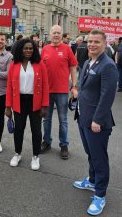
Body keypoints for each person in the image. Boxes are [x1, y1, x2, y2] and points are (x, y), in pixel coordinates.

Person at [73, 29, 118, 216]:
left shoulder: (108, 66)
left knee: (99, 157)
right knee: (90, 152)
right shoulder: (87, 61)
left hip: (96, 121)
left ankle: (100, 194)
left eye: (96, 42)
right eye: (90, 41)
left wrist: (97, 120)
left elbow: (107, 96)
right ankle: (92, 181)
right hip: (83, 116)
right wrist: (76, 93)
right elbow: (85, 87)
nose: (92, 44)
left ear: (104, 43)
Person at [5, 39, 49, 170]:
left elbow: (46, 86)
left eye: (30, 48)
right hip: (19, 101)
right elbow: (9, 86)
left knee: (36, 130)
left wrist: (45, 105)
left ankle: (35, 156)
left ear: (34, 49)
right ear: (20, 49)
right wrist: (8, 106)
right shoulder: (14, 64)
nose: (28, 50)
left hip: (35, 101)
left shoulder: (39, 64)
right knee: (19, 129)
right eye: (25, 48)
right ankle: (17, 153)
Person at [40, 25, 78, 159]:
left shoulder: (67, 49)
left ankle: (64, 144)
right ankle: (47, 141)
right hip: (47, 91)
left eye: (58, 33)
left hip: (62, 91)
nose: (56, 35)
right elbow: (40, 69)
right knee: (46, 119)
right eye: (54, 33)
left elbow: (73, 68)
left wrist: (74, 86)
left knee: (63, 120)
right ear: (50, 34)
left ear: (62, 35)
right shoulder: (45, 49)